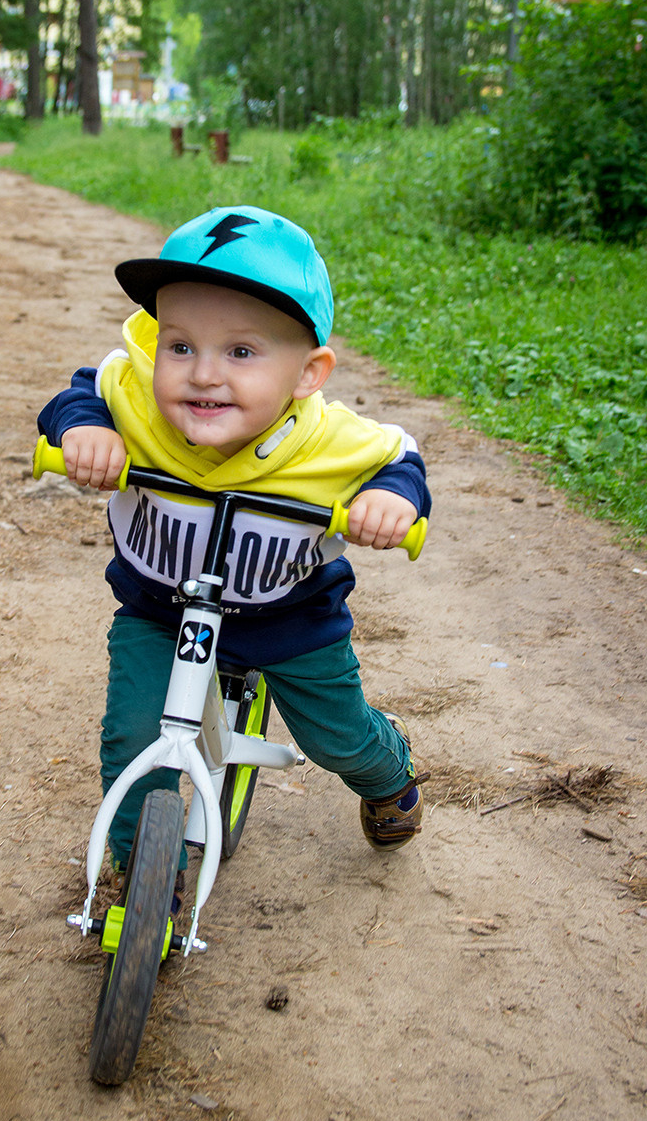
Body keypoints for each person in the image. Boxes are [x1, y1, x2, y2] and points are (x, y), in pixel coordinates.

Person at [37, 205, 431, 894]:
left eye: (241, 352)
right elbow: (87, 392)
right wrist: (84, 431)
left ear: (308, 374)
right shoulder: (134, 396)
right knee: (131, 739)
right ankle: (136, 881)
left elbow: (398, 459)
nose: (203, 375)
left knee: (337, 739)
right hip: (159, 609)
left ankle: (387, 768)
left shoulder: (328, 442)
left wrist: (391, 502)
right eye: (180, 346)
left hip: (289, 618)